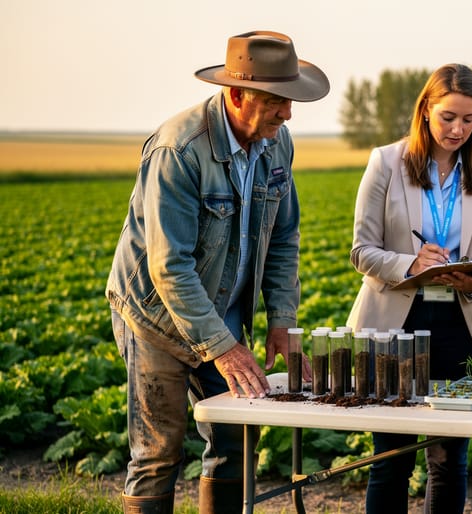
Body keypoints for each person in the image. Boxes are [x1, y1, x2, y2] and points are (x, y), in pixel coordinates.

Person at [106, 31, 329, 514]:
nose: (288, 114)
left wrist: (282, 321)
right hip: (155, 318)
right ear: (237, 94)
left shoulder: (277, 145)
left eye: (290, 100)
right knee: (157, 453)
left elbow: (284, 238)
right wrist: (224, 349)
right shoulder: (178, 150)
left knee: (237, 440)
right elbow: (170, 267)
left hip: (222, 307)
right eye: (276, 101)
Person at [346, 63, 472, 513]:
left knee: (450, 460)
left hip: (460, 324)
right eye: (448, 117)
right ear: (425, 111)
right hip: (394, 325)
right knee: (391, 458)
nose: (458, 129)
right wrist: (410, 263)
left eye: (469, 119)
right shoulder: (386, 162)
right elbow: (361, 251)